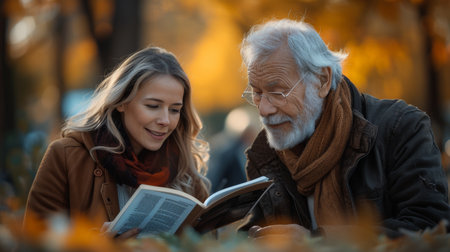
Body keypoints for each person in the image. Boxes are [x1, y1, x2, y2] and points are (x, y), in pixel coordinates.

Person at [238, 19, 450, 239]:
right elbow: (261, 230)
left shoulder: (402, 128)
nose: (263, 109)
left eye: (277, 92)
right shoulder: (263, 153)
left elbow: (430, 225)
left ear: (322, 80)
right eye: (257, 93)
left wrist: (316, 242)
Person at [24, 47, 210, 239]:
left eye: (174, 110)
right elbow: (34, 242)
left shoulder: (185, 173)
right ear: (122, 102)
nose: (165, 120)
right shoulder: (65, 156)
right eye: (153, 106)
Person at [206, 106, 260, 193]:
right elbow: (215, 181)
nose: (249, 138)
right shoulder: (225, 155)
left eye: (251, 133)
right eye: (246, 134)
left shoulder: (260, 153)